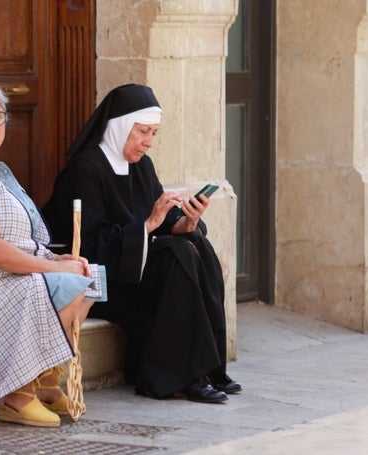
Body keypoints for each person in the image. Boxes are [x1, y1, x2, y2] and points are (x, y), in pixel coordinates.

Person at [42, 83, 241, 404]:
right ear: (120, 128)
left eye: (153, 134)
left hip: (136, 272)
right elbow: (88, 246)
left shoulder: (141, 166)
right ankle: (172, 376)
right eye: (142, 132)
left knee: (195, 244)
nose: (148, 142)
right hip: (103, 282)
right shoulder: (85, 171)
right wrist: (148, 225)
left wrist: (187, 220)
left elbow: (165, 224)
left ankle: (208, 367)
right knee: (176, 254)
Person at [0, 75, 105, 427]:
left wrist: (58, 259)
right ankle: (16, 392)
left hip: (6, 281)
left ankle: (43, 379)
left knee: (92, 275)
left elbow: (21, 241)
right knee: (65, 283)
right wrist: (54, 271)